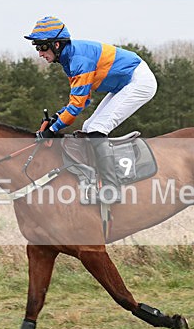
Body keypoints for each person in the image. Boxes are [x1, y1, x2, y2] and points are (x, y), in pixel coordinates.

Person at [24, 16, 157, 203]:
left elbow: (77, 106)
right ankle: (96, 181)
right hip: (124, 84)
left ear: (56, 44)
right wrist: (56, 117)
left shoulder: (79, 60)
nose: (39, 53)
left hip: (139, 81)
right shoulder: (69, 59)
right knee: (88, 127)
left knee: (97, 128)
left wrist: (53, 129)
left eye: (42, 47)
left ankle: (111, 189)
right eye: (37, 47)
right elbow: (81, 99)